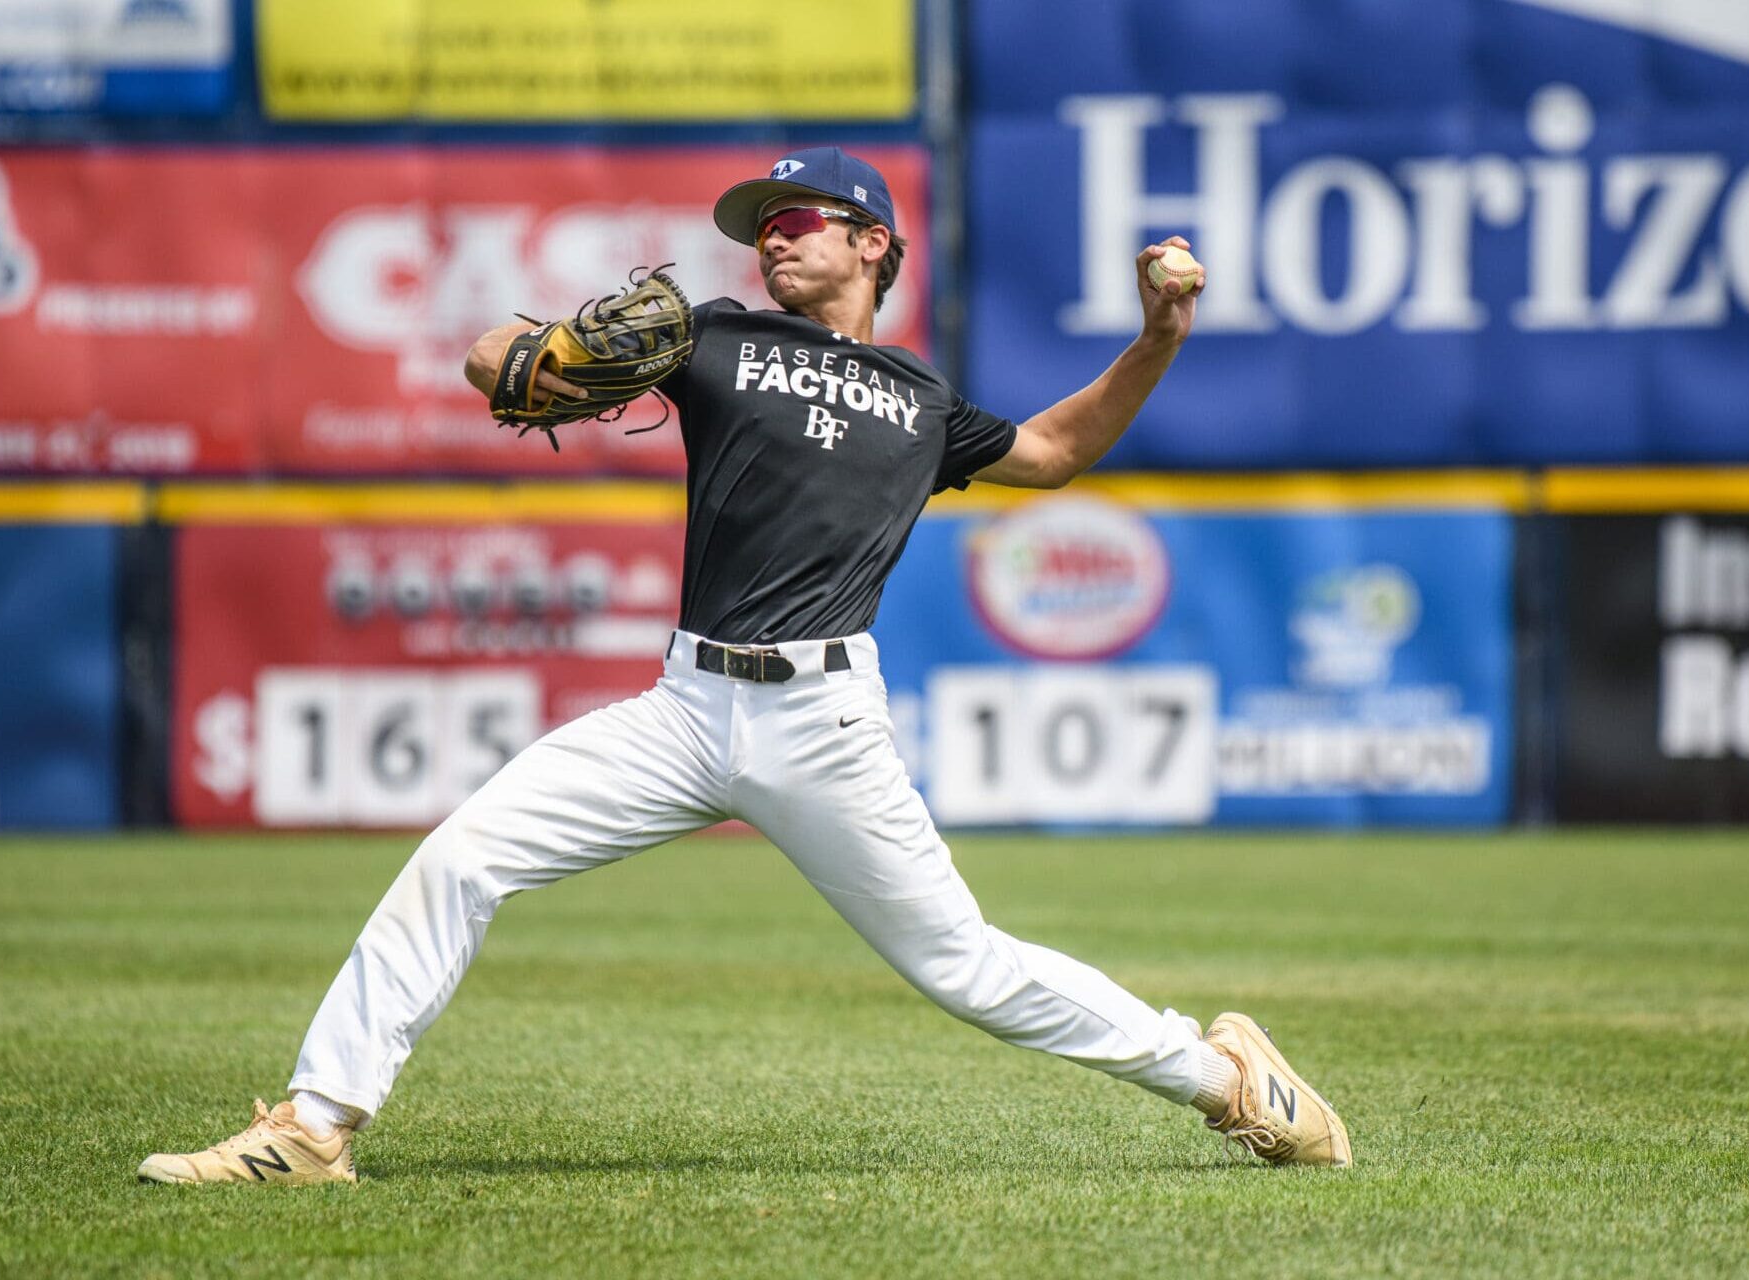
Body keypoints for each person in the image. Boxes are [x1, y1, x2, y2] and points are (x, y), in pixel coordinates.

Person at [137, 146, 1349, 1185]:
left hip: (823, 721)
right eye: (758, 228)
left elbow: (1050, 449)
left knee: (964, 965)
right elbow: (493, 354)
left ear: (874, 243)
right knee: (464, 854)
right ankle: (314, 1126)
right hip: (683, 705)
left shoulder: (920, 399)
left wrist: (1158, 338)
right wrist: (539, 349)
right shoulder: (714, 341)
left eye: (795, 221)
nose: (769, 241)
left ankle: (1227, 1078)